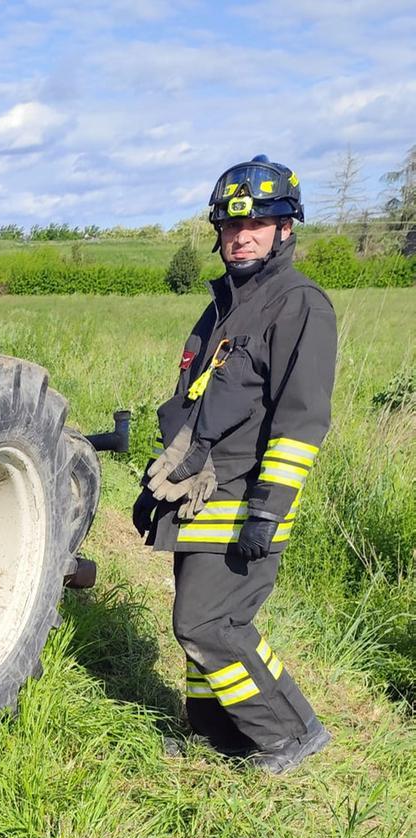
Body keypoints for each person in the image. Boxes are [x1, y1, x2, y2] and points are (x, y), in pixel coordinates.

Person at [133, 156, 337, 773]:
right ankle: (214, 732)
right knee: (192, 618)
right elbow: (201, 406)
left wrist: (268, 513)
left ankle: (289, 732)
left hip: (247, 498)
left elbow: (301, 424)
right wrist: (161, 481)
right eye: (230, 226)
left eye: (259, 224)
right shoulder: (224, 303)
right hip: (201, 491)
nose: (241, 236)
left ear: (285, 229)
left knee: (209, 622)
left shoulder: (301, 306)